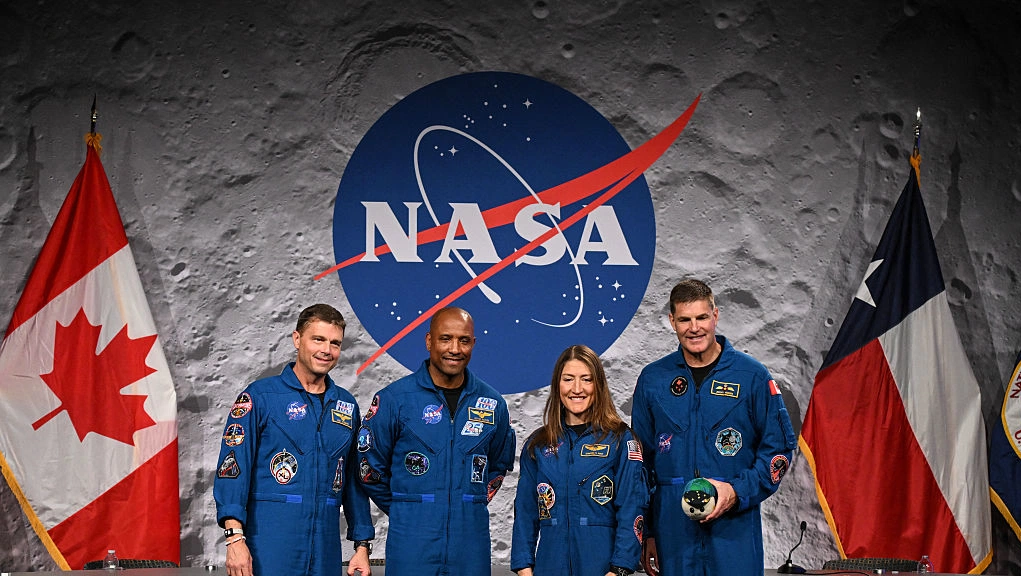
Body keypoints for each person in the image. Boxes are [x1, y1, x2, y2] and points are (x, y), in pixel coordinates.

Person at [631, 280, 796, 576]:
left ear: (715, 316)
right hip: (673, 532)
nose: (694, 328)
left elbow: (778, 451)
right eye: (685, 319)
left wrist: (736, 491)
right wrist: (649, 532)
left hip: (734, 530)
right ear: (672, 321)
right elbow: (641, 464)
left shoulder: (751, 376)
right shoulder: (653, 380)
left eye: (702, 317)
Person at [214, 304, 374, 576]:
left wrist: (362, 544)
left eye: (335, 343)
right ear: (297, 339)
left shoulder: (346, 406)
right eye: (318, 339)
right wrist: (234, 539)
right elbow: (233, 470)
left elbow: (353, 480)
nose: (327, 350)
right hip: (269, 546)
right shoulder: (261, 397)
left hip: (325, 549)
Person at [357, 306, 516, 575]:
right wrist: (407, 508)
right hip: (411, 542)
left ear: (473, 344)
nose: (455, 348)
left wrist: (467, 502)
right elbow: (368, 468)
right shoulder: (395, 399)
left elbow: (499, 465)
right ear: (429, 341)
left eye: (463, 340)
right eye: (445, 339)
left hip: (470, 543)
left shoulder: (492, 404)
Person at [511, 345, 648, 576]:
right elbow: (525, 513)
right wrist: (524, 568)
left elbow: (632, 508)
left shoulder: (620, 440)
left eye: (586, 379)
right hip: (549, 566)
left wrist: (619, 569)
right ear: (557, 385)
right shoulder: (538, 445)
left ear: (598, 385)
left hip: (603, 568)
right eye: (568, 379)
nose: (577, 389)